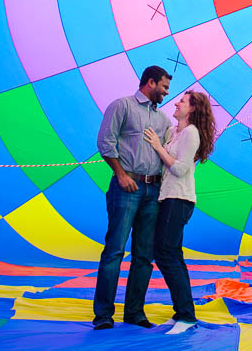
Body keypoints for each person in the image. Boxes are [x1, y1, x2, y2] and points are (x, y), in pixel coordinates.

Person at [93, 65, 172, 330]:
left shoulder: (163, 120)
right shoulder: (122, 106)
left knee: (143, 256)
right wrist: (121, 174)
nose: (166, 93)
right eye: (164, 87)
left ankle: (134, 312)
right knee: (115, 250)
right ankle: (103, 315)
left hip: (153, 190)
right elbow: (105, 142)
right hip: (127, 186)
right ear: (151, 83)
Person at [143, 90, 216, 335]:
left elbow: (181, 169)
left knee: (164, 253)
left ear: (193, 109)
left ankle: (186, 315)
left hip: (179, 199)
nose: (176, 102)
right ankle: (182, 312)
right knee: (172, 254)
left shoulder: (191, 133)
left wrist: (157, 147)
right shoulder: (173, 132)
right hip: (167, 197)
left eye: (182, 101)